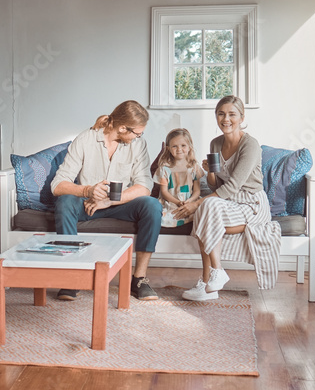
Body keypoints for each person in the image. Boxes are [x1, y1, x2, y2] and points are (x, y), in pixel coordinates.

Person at [51, 99, 162, 301]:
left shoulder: (138, 144)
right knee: (65, 202)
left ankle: (139, 279)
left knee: (152, 205)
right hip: (88, 203)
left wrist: (110, 200)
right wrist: (87, 190)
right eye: (137, 133)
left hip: (119, 204)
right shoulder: (85, 140)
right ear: (121, 128)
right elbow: (58, 184)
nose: (139, 137)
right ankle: (72, 276)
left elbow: (145, 185)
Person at [178, 95, 281, 301]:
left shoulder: (250, 145)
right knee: (208, 209)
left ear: (241, 117)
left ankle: (211, 280)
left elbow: (233, 185)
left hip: (251, 202)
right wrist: (210, 173)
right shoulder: (215, 143)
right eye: (221, 114)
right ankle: (211, 283)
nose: (226, 119)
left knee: (206, 208)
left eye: (232, 114)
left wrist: (198, 203)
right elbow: (217, 185)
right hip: (227, 202)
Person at [157, 127, 204, 228]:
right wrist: (178, 202)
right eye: (174, 146)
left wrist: (190, 201)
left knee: (202, 214)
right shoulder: (165, 168)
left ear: (189, 147)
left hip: (189, 202)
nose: (179, 149)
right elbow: (164, 192)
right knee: (164, 218)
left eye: (183, 145)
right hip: (172, 202)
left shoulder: (194, 167)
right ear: (168, 148)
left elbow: (197, 191)